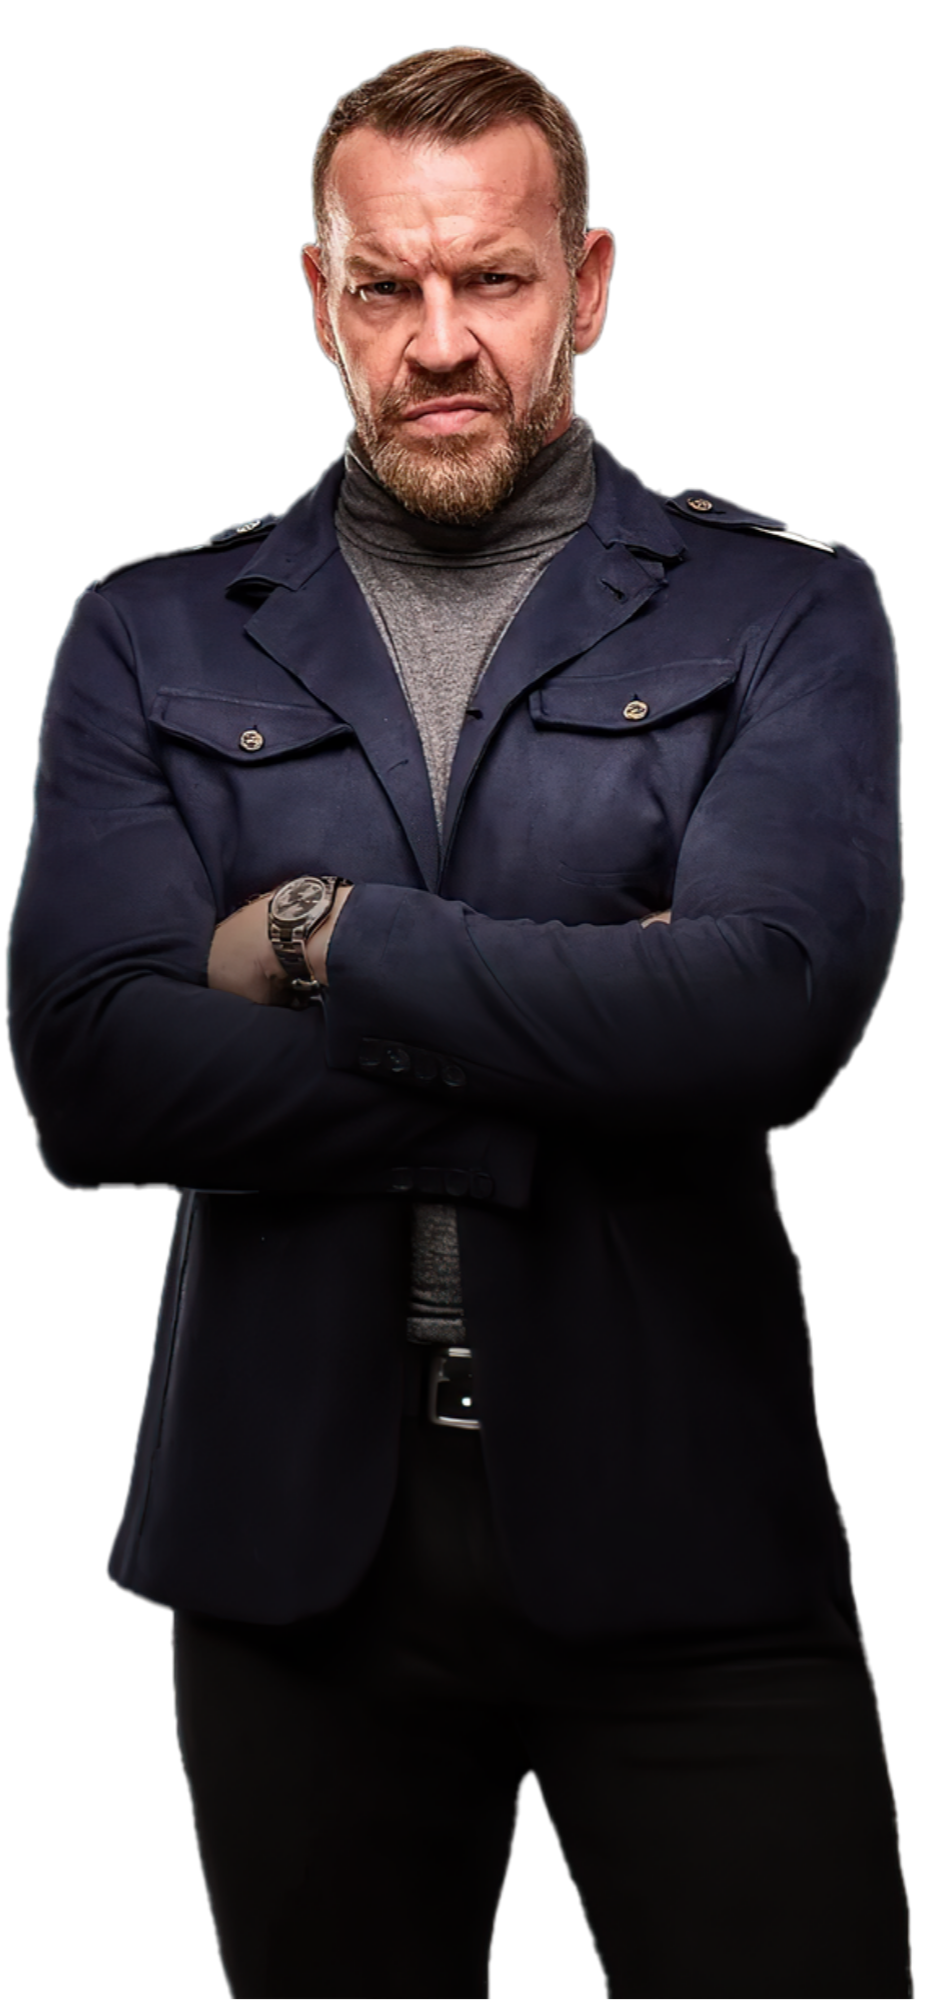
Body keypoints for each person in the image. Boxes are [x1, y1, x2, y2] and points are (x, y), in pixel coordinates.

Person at [8, 43, 914, 2000]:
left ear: (584, 284)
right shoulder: (148, 636)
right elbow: (90, 1075)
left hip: (684, 1519)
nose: (438, 340)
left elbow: (766, 1012)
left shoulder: (781, 614)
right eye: (386, 286)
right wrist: (580, 1049)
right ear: (316, 298)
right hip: (283, 1546)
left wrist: (320, 933)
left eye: (489, 279)